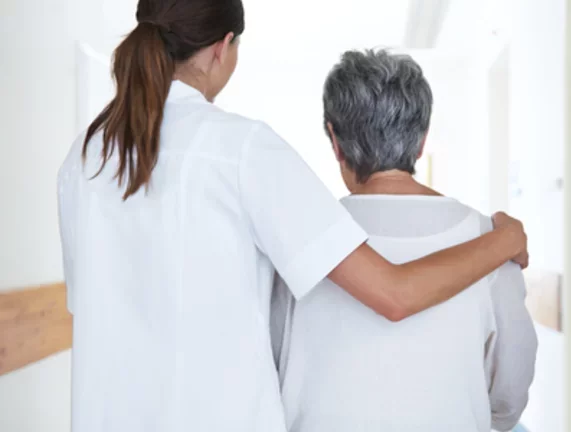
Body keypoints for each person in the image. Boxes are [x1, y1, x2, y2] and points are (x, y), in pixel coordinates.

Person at [57, 1, 528, 431]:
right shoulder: (240, 150)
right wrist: (505, 239)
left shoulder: (81, 161)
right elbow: (394, 294)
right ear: (223, 48)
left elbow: (94, 306)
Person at [271, 49, 538, 432]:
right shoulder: (491, 240)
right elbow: (511, 388)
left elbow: (270, 365)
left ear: (335, 139)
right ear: (422, 139)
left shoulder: (299, 237)